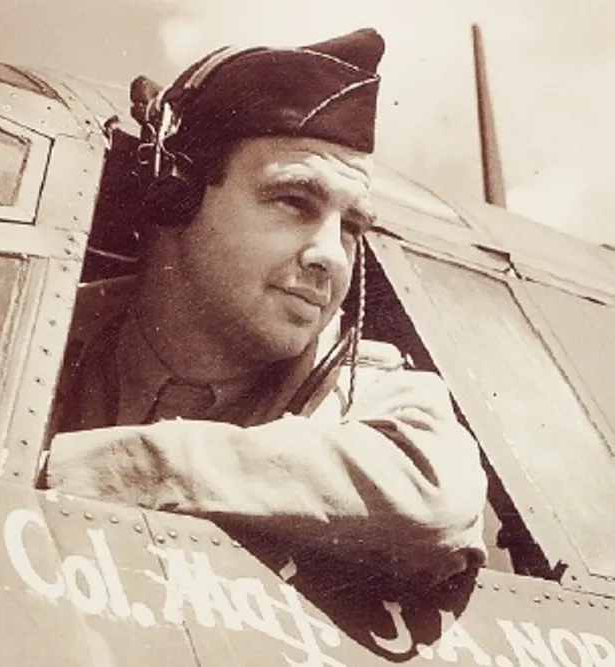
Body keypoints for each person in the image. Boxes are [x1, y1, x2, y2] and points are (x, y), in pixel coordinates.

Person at [44, 28, 488, 585]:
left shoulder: (371, 392)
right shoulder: (48, 331)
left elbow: (434, 498)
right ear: (176, 194)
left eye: (351, 227)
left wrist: (137, 467)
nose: (332, 255)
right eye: (294, 202)